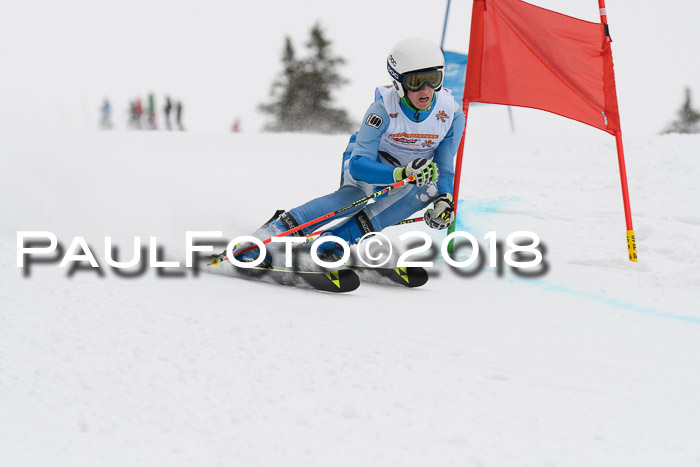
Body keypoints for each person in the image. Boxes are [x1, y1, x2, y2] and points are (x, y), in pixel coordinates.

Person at [227, 37, 465, 268]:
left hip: (407, 172)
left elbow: (444, 168)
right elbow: (359, 165)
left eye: (434, 79)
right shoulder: (382, 109)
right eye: (416, 82)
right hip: (370, 162)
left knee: (430, 190)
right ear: (398, 82)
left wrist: (444, 200)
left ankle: (333, 241)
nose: (426, 90)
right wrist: (401, 173)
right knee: (355, 196)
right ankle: (272, 235)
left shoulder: (452, 114)